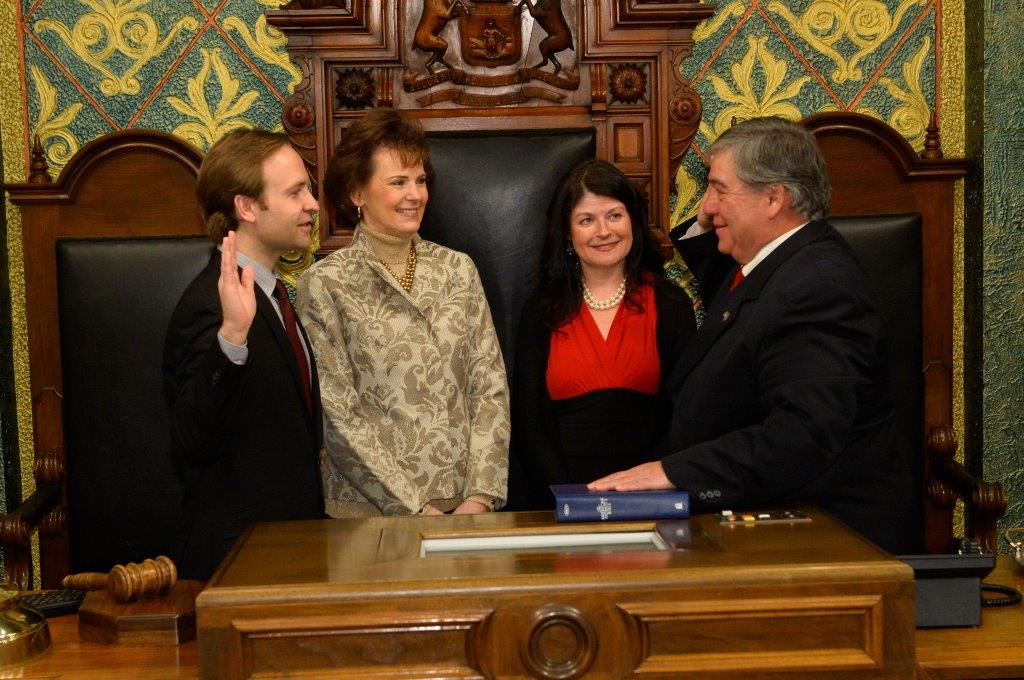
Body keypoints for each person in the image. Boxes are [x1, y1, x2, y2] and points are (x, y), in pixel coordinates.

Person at [589, 117, 920, 555]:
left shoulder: (817, 286)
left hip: (822, 545)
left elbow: (802, 434)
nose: (706, 207)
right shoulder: (775, 263)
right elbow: (738, 313)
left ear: (772, 198)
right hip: (767, 525)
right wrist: (720, 218)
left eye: (719, 189)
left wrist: (676, 473)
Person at [295, 108, 509, 518]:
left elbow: (489, 387)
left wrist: (480, 497)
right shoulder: (325, 283)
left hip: (465, 509)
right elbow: (339, 416)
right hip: (370, 514)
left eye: (420, 180)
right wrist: (413, 507)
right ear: (357, 193)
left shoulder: (458, 270)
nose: (415, 194)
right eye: (397, 182)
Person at [163, 129, 325, 580]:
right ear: (247, 207)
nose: (312, 203)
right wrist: (232, 337)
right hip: (240, 562)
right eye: (295, 192)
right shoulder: (210, 306)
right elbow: (190, 443)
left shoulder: (273, 294)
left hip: (288, 549)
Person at [509, 159, 696, 510]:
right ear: (567, 232)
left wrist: (643, 489)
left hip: (652, 499)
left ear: (633, 222)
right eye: (586, 220)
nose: (603, 231)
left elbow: (686, 414)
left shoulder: (671, 303)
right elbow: (528, 425)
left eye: (614, 215)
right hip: (558, 501)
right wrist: (573, 500)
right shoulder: (540, 312)